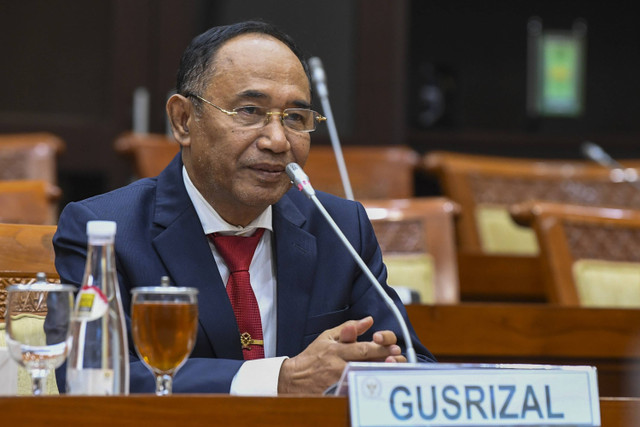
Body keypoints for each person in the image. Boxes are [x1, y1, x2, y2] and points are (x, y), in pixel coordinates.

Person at [53, 20, 435, 395]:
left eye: (295, 118)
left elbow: (414, 364)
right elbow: (89, 376)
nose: (277, 140)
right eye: (250, 111)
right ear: (183, 120)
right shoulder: (105, 230)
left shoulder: (340, 228)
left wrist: (383, 370)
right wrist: (279, 380)